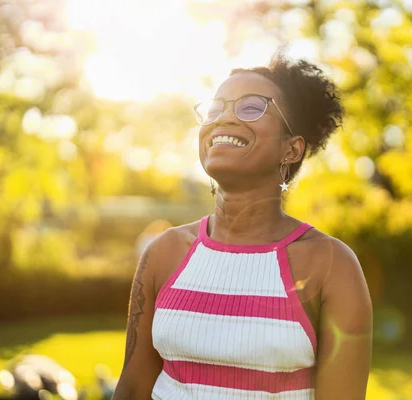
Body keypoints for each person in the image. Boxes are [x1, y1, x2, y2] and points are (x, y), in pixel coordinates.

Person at [112, 51, 373, 400]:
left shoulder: (331, 264)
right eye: (215, 108)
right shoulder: (165, 252)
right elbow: (131, 389)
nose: (224, 119)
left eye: (251, 107)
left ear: (291, 149)